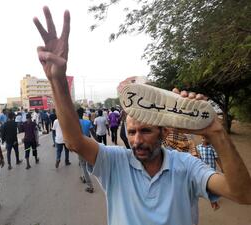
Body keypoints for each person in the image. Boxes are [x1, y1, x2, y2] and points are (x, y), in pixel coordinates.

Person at [33, 7, 251, 225]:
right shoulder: (115, 162)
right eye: (131, 131)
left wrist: (215, 132)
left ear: (164, 131)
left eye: (145, 130)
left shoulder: (187, 166)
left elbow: (243, 195)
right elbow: (74, 141)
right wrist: (58, 80)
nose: (136, 140)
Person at [197, 136, 223, 211]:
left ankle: (214, 199)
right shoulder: (198, 147)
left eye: (208, 138)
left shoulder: (212, 148)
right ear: (202, 138)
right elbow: (197, 158)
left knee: (212, 186)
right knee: (205, 184)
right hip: (203, 170)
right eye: (204, 138)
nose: (206, 139)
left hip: (211, 170)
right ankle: (210, 197)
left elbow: (217, 158)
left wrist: (222, 168)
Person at [77, 108, 96, 193]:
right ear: (83, 114)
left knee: (83, 164)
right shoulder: (88, 122)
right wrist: (98, 141)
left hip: (80, 146)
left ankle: (90, 186)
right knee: (86, 163)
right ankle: (83, 176)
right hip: (88, 144)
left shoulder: (75, 123)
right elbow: (93, 133)